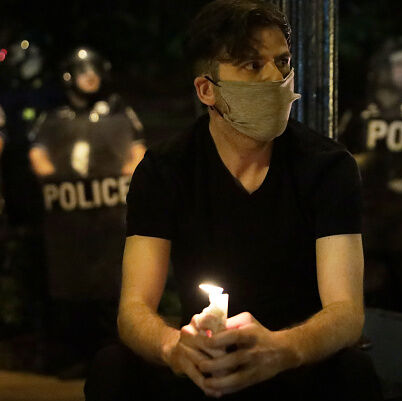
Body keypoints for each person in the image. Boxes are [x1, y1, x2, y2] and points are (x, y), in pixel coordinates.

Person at [85, 1, 382, 400]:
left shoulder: (327, 167)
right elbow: (134, 309)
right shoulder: (165, 169)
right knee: (112, 369)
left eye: (282, 61)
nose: (277, 77)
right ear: (208, 90)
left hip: (295, 364)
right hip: (204, 365)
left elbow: (347, 313)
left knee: (353, 373)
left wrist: (282, 350)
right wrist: (175, 349)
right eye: (252, 65)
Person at [28, 47, 145, 377]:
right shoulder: (53, 118)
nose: (90, 77)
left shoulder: (120, 113)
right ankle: (73, 357)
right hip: (69, 224)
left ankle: (112, 356)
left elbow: (137, 151)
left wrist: (126, 173)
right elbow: (38, 155)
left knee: (111, 287)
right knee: (71, 289)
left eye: (94, 70)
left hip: (110, 221)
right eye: (83, 71)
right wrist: (55, 177)